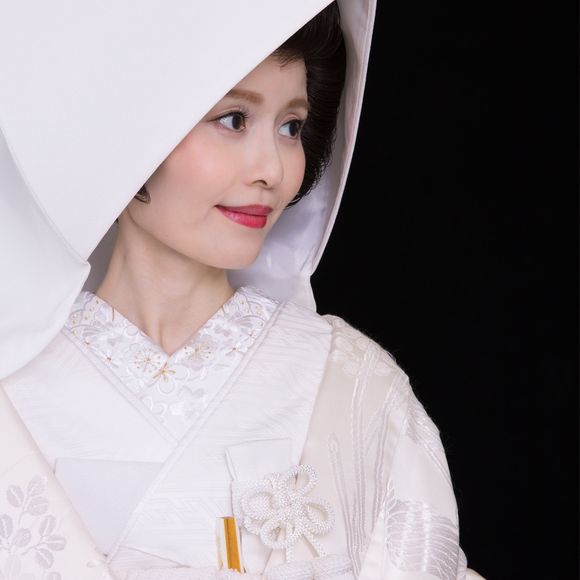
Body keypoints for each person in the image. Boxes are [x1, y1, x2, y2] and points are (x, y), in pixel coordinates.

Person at [0, 2, 482, 579]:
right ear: (125, 133)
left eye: (291, 127)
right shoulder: (17, 387)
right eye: (233, 119)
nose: (272, 170)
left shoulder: (356, 388)